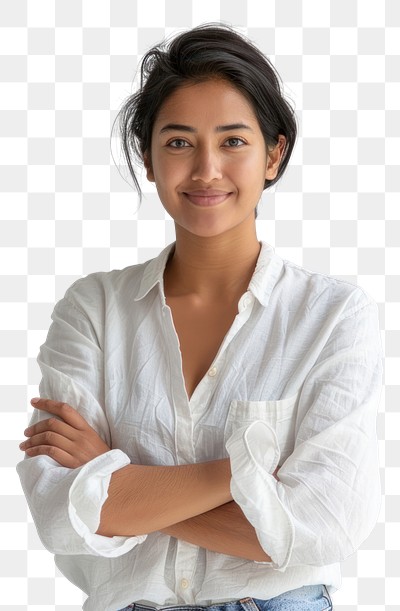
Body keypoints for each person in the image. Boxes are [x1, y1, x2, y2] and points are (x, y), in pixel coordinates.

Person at [17, 23, 382, 611]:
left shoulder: (335, 318)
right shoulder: (93, 310)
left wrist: (118, 486)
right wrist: (251, 470)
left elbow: (326, 523)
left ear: (274, 154)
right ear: (149, 159)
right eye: (180, 142)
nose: (207, 169)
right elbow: (63, 515)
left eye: (234, 141)